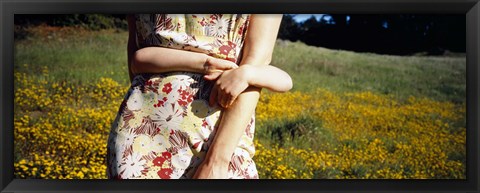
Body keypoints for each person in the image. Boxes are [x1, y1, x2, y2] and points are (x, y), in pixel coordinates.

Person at [106, 14, 291, 179]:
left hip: (219, 136)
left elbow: (257, 67)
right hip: (141, 137)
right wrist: (205, 63)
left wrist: (217, 162)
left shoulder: (249, 73)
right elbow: (136, 59)